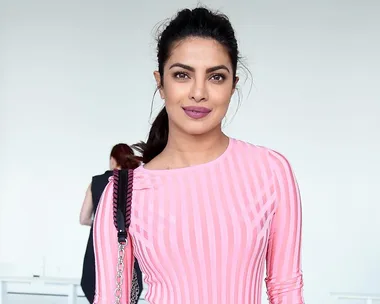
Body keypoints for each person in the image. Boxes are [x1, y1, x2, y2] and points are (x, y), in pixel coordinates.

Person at [93, 7, 304, 304]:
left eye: (216, 77)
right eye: (182, 75)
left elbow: (286, 289)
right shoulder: (125, 193)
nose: (198, 92)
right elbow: (110, 300)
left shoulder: (270, 171)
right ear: (160, 82)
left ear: (233, 86)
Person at [79, 143, 144, 303]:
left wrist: (103, 225)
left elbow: (84, 219)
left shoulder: (97, 182)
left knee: (97, 291)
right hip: (130, 247)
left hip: (99, 249)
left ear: (113, 160)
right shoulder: (138, 182)